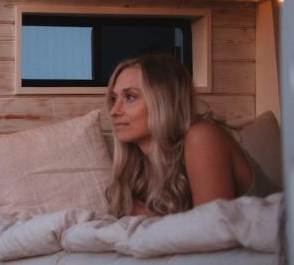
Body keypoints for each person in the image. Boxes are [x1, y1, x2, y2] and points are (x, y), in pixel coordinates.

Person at [105, 53, 277, 217]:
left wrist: (148, 218)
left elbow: (212, 231)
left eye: (130, 97)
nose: (114, 111)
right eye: (114, 99)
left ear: (164, 101)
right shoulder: (137, 167)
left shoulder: (202, 136)